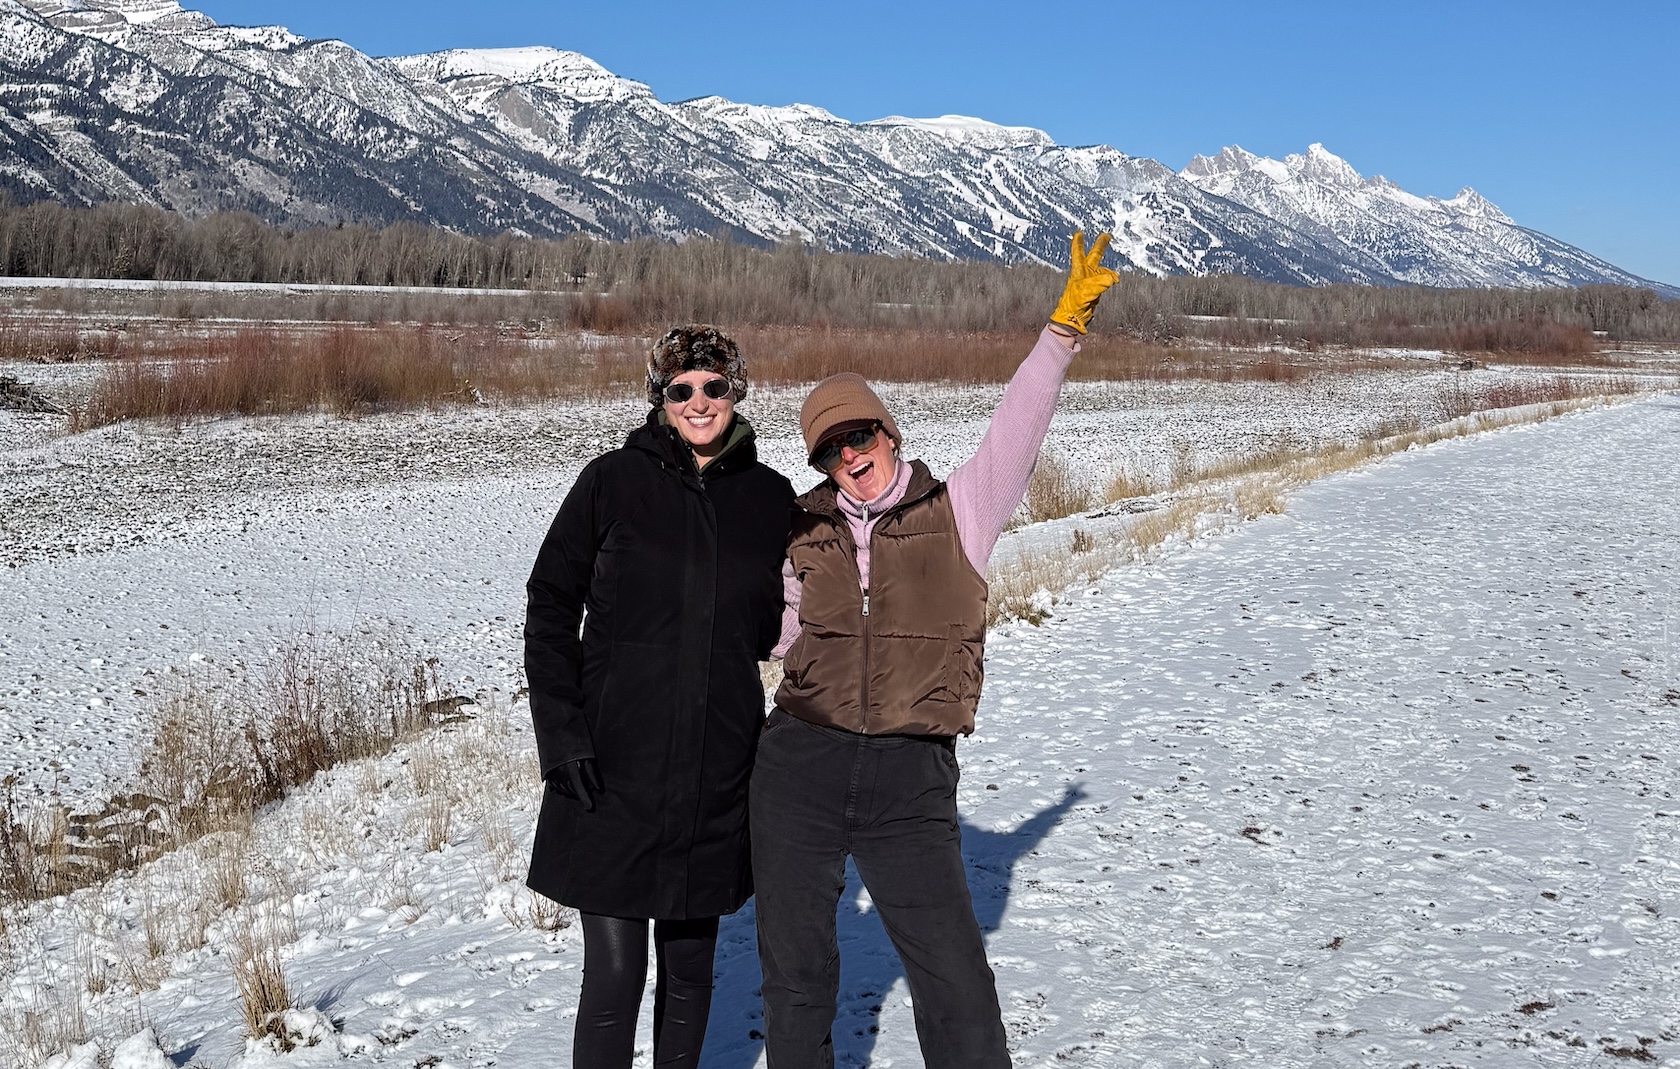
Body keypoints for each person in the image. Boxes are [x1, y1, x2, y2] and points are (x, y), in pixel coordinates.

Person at [751, 232, 1119, 1068]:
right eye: (831, 448)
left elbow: (1017, 427)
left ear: (889, 430)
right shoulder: (800, 529)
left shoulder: (961, 510)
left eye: (860, 436)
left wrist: (1061, 332)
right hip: (799, 766)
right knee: (797, 978)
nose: (851, 457)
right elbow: (769, 630)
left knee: (955, 981)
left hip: (909, 775)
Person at [525, 325, 795, 1069]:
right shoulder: (611, 480)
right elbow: (550, 603)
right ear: (660, 398)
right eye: (681, 389)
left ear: (735, 391)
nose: (698, 401)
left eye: (713, 386)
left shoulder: (769, 498)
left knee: (690, 971)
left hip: (715, 769)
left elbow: (803, 606)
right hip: (611, 769)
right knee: (616, 971)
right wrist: (562, 733)